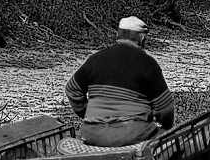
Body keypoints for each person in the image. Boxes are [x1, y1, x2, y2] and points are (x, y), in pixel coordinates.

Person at [64, 16, 175, 147]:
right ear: (142, 39)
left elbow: (71, 89)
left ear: (118, 35)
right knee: (172, 141)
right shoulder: (147, 63)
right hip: (132, 134)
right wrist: (166, 126)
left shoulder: (96, 59)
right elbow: (165, 107)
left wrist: (88, 114)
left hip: (92, 134)